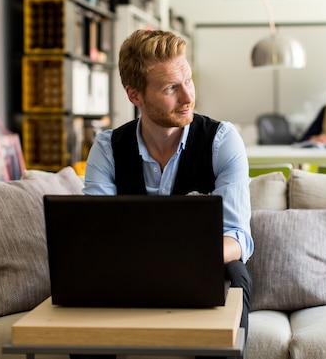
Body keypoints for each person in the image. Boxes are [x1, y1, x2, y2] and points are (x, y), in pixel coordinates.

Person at [75, 29, 253, 359]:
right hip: (128, 275)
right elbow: (95, 237)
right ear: (135, 95)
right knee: (86, 291)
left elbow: (236, 237)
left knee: (235, 273)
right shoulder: (107, 148)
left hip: (203, 271)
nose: (188, 96)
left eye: (188, 80)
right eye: (171, 87)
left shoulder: (222, 141)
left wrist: (173, 262)